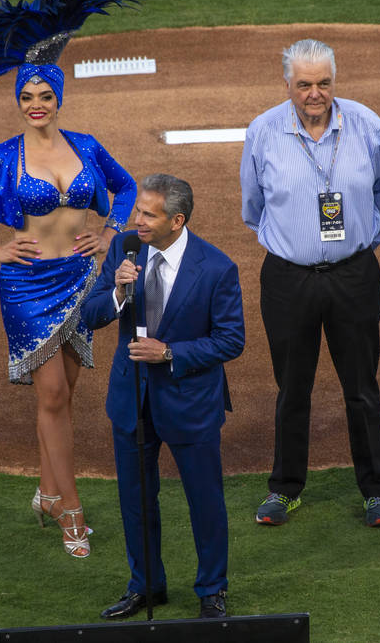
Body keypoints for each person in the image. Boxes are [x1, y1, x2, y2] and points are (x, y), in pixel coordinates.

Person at [0, 0, 141, 558]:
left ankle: (49, 492)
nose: (34, 106)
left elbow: (125, 187)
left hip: (80, 279)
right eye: (26, 97)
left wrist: (111, 232)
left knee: (62, 397)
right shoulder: (1, 156)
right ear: (19, 99)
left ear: (59, 98)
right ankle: (72, 512)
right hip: (27, 286)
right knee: (51, 395)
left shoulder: (86, 146)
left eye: (44, 96)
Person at [240, 38, 380, 527]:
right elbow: (253, 208)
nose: (315, 93)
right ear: (286, 82)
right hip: (288, 279)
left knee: (362, 387)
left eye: (324, 83)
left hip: (354, 275)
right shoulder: (263, 132)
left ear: (335, 81)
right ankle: (285, 489)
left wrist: (357, 247)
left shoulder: (366, 124)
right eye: (304, 84)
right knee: (292, 388)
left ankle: (376, 491)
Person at [82, 174, 245, 619]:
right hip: (131, 399)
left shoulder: (216, 267)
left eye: (148, 214)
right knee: (135, 501)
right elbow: (90, 315)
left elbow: (231, 340)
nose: (137, 221)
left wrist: (169, 351)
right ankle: (147, 586)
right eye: (138, 211)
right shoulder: (124, 250)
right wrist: (116, 290)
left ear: (177, 220)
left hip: (190, 402)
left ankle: (212, 589)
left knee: (204, 501)